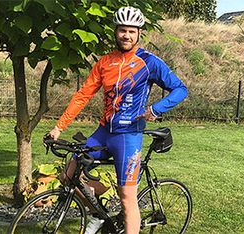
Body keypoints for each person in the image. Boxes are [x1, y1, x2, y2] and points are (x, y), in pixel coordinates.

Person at [50, 6, 188, 234]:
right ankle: (97, 214)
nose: (127, 35)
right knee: (69, 175)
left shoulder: (149, 62)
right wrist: (58, 127)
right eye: (123, 30)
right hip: (103, 132)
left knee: (127, 198)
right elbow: (83, 95)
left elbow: (180, 89)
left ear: (139, 34)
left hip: (129, 136)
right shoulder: (105, 62)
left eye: (132, 31)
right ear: (116, 32)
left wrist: (156, 108)